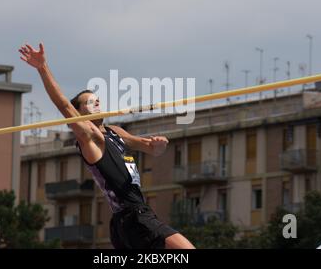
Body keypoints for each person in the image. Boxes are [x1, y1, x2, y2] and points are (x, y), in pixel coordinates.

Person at [18, 42, 195, 249]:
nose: (97, 103)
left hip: (130, 220)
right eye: (89, 103)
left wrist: (159, 144)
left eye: (97, 100)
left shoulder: (114, 132)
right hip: (134, 217)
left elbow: (149, 148)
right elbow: (64, 105)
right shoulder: (91, 138)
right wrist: (42, 67)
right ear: (80, 114)